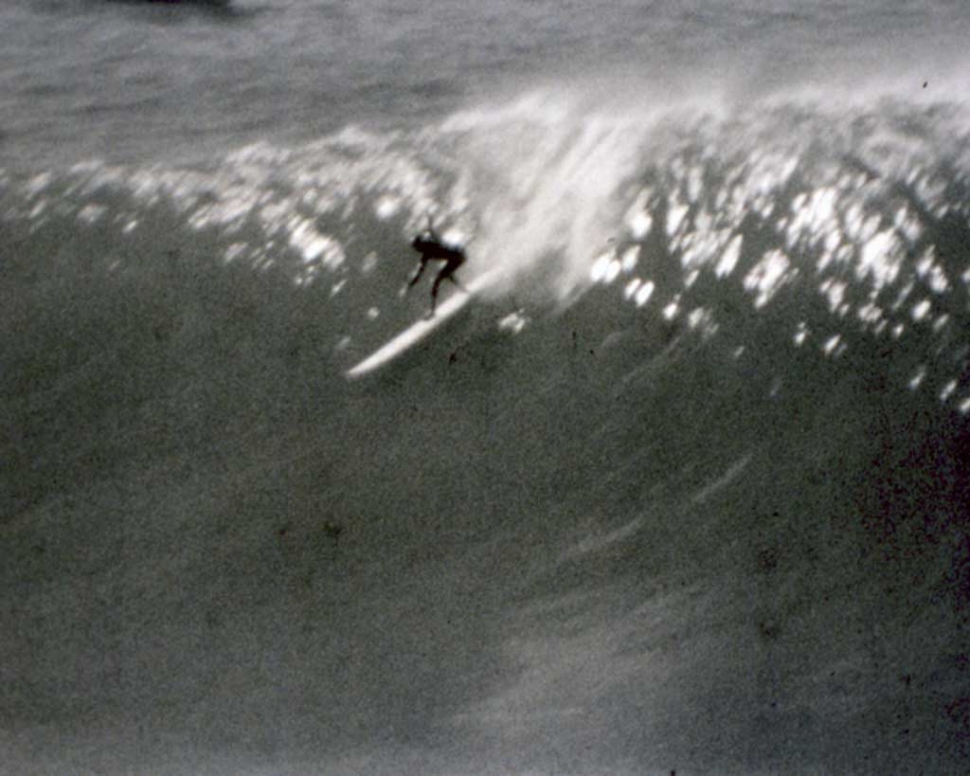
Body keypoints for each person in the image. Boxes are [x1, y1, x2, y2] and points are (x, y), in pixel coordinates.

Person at [404, 220, 467, 316]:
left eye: (417, 248)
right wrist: (409, 285)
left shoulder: (429, 249)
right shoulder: (427, 252)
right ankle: (462, 289)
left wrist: (409, 285)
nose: (417, 250)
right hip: (458, 255)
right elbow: (419, 274)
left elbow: (419, 274)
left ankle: (433, 310)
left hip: (458, 255)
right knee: (444, 274)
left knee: (439, 278)